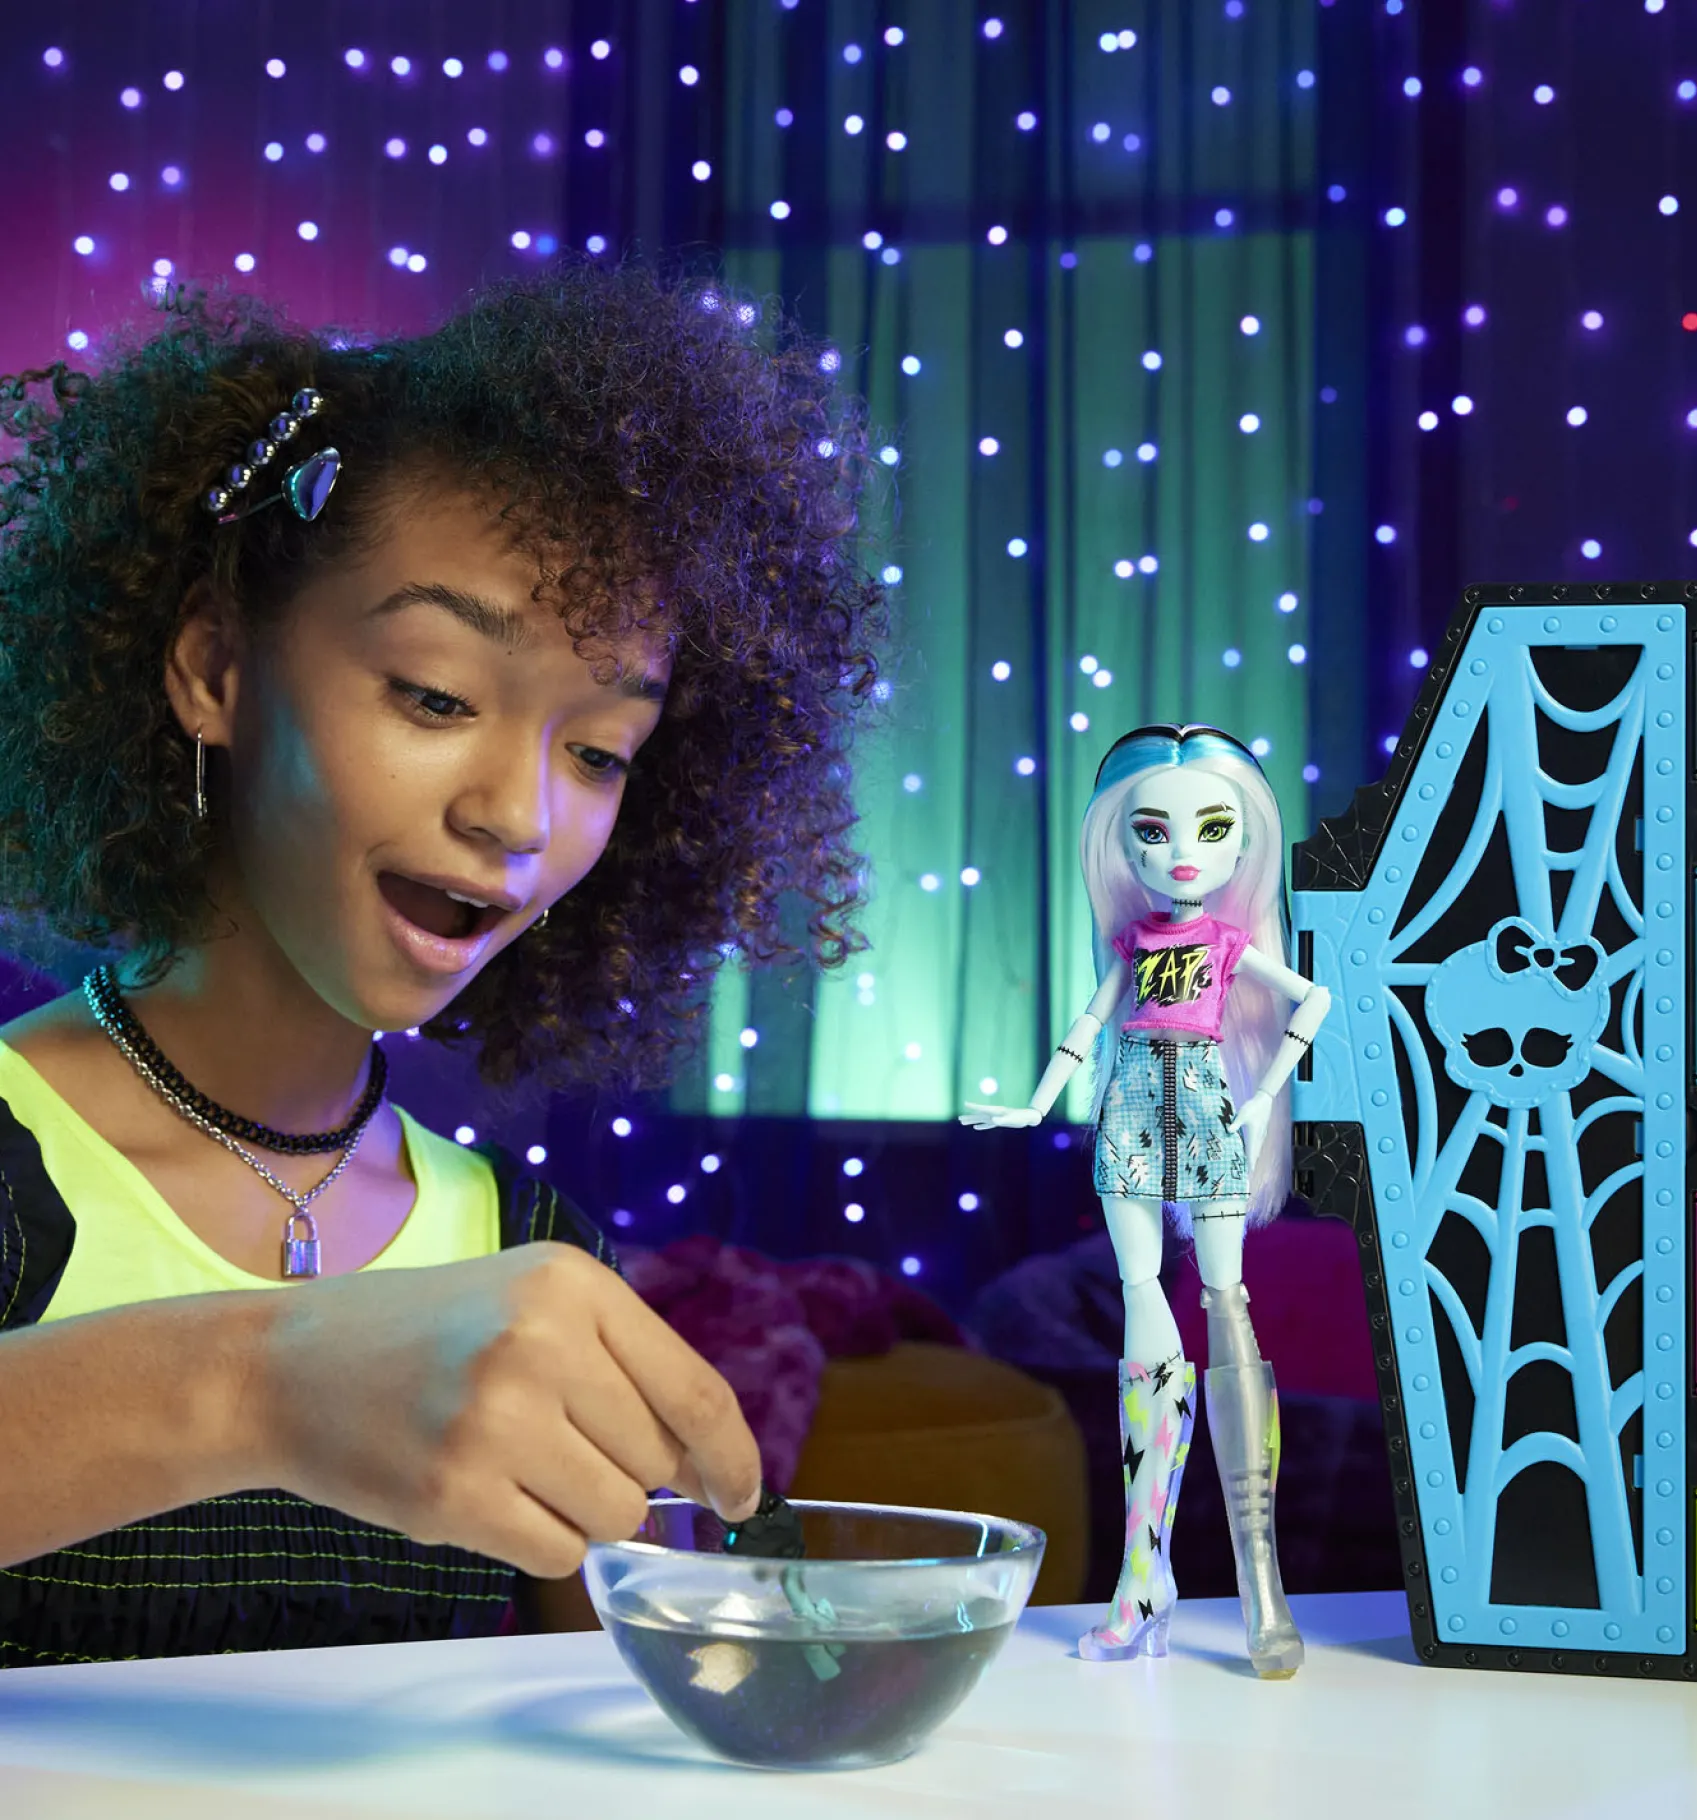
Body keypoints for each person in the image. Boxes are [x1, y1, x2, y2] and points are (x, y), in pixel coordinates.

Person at [0, 260, 885, 1665]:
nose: (518, 817)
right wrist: (261, 1388)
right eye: (435, 694)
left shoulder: (527, 1248)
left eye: (598, 752)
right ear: (215, 671)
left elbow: (623, 1695)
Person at [962, 725, 1330, 1677]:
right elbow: (1089, 1026)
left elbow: (1313, 1001)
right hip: (1128, 1106)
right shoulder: (1132, 942)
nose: (1181, 853)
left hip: (1207, 1105)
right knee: (1141, 1297)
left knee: (1226, 1302)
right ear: (1119, 846)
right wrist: (1033, 1104)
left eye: (1211, 829)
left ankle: (1260, 1578)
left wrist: (1264, 1093)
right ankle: (1142, 1581)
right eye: (1152, 832)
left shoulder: (1229, 941)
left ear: (1244, 843)